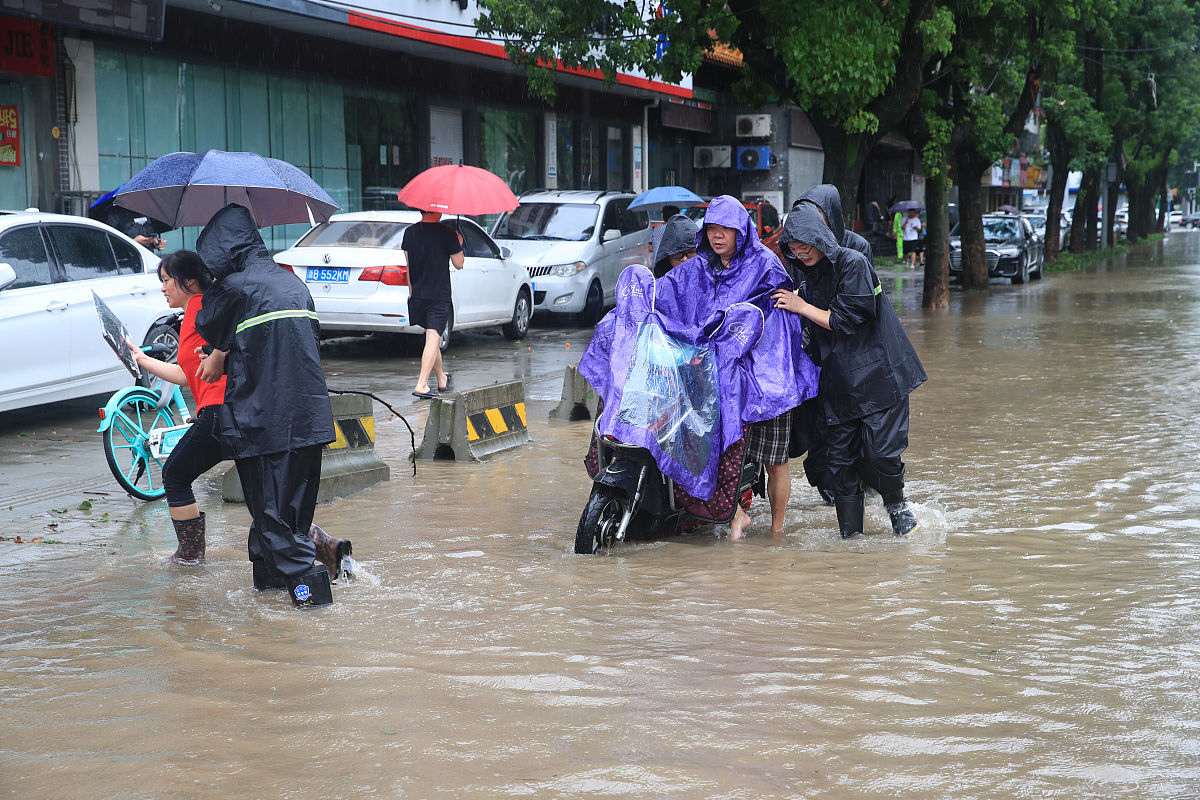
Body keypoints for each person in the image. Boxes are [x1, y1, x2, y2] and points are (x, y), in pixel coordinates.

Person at [194, 203, 338, 607]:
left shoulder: (235, 287)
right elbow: (277, 349)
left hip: (265, 424)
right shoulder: (293, 283)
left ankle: (315, 612)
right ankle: (271, 603)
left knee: (276, 527)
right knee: (287, 522)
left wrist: (215, 290)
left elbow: (208, 325)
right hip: (309, 421)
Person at [654, 196, 818, 538]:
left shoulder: (766, 265)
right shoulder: (701, 268)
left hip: (767, 379)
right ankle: (736, 516)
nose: (717, 236)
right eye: (711, 229)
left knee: (775, 462)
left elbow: (782, 323)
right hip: (719, 377)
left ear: (740, 231)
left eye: (725, 230)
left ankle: (776, 533)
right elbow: (668, 292)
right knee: (715, 452)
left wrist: (749, 349)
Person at [771, 203, 926, 539]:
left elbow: (847, 320)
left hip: (879, 377)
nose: (801, 254)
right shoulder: (804, 274)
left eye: (805, 246)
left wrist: (801, 306)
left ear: (820, 238)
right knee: (839, 462)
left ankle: (897, 507)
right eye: (793, 249)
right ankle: (850, 538)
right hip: (838, 381)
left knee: (880, 453)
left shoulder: (853, 263)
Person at [130, 250, 226, 566]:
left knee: (175, 473)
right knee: (261, 495)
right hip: (233, 411)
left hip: (220, 411)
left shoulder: (199, 309)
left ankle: (189, 556)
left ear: (190, 281)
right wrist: (142, 359)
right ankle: (326, 546)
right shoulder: (201, 309)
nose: (163, 288)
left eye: (167, 280)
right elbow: (187, 375)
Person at [789, 185, 875, 505]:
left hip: (850, 350)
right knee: (819, 423)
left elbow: (859, 306)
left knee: (857, 423)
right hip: (815, 350)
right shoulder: (798, 250)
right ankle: (828, 483)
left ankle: (861, 483)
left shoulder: (856, 250)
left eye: (820, 215)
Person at [402, 210, 464, 399]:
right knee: (432, 338)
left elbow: (408, 265)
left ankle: (441, 379)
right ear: (437, 209)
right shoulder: (447, 233)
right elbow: (459, 263)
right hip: (438, 295)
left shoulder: (409, 232)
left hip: (417, 294)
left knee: (432, 338)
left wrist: (411, 291)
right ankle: (421, 384)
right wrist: (459, 244)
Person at [650, 213, 699, 278]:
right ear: (667, 257)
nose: (685, 259)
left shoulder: (710, 278)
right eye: (678, 255)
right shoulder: (662, 282)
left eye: (691, 253)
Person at [889, 196, 904, 261]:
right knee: (899, 245)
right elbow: (895, 224)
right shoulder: (897, 215)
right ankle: (900, 256)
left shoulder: (906, 215)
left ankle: (906, 256)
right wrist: (894, 231)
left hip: (906, 233)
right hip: (899, 233)